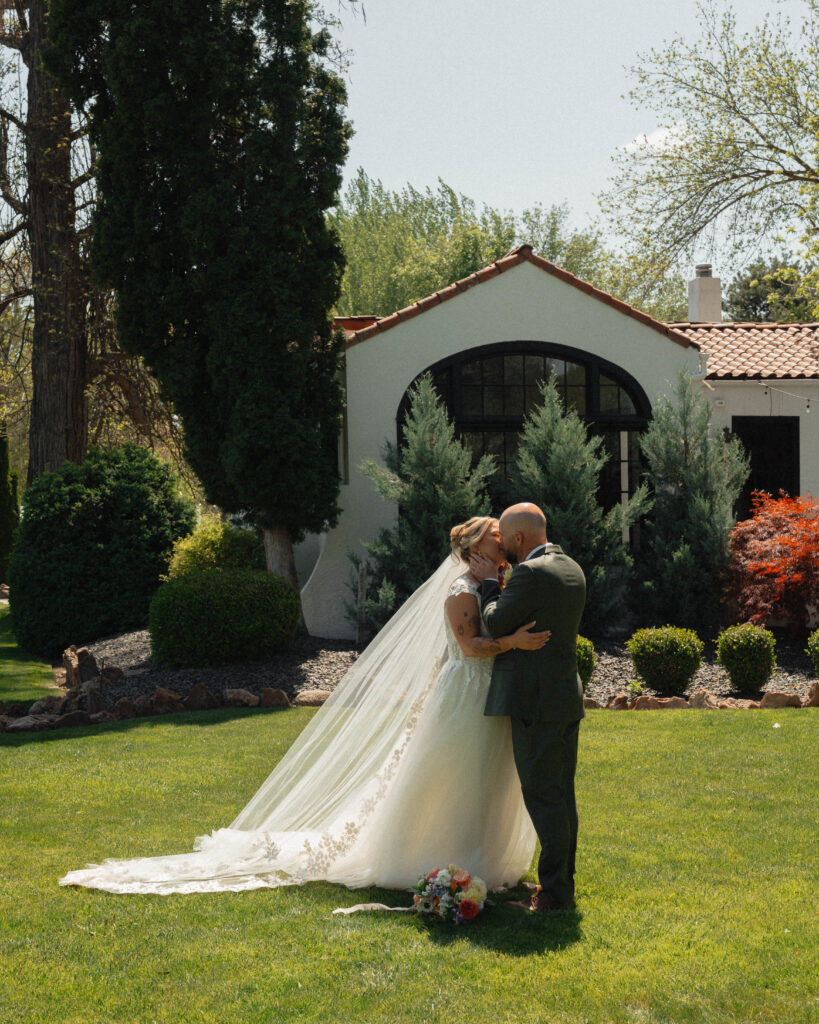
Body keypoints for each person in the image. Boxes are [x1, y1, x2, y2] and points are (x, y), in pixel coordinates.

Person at [60, 516, 549, 895]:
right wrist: (514, 644)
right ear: (473, 549)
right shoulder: (461, 592)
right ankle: (432, 854)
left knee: (483, 774)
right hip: (463, 691)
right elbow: (468, 647)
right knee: (454, 773)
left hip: (485, 693)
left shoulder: (493, 585)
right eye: (493, 537)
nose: (502, 542)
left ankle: (477, 856)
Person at [470, 502, 586, 913]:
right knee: (561, 795)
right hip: (563, 696)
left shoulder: (531, 573)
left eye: (504, 539)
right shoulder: (571, 566)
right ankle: (560, 885)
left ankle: (554, 895)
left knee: (543, 795)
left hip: (535, 701)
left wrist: (487, 583)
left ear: (519, 538)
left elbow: (496, 623)